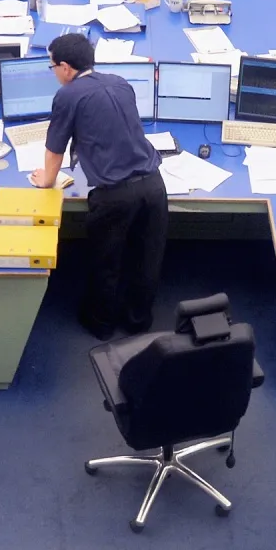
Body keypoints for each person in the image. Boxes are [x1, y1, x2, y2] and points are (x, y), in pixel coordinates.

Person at [29, 33, 168, 338]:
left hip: (114, 195)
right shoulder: (119, 82)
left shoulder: (67, 96)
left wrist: (46, 181)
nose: (54, 73)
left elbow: (55, 149)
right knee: (147, 259)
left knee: (107, 261)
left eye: (52, 66)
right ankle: (138, 322)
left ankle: (101, 325)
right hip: (155, 187)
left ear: (66, 67)